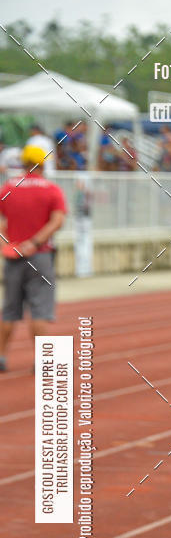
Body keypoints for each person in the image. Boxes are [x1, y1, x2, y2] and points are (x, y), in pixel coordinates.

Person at [0, 145, 67, 371]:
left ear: (23, 163)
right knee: (39, 310)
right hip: (39, 256)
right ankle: (41, 361)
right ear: (43, 164)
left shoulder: (8, 187)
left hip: (13, 257)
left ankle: (1, 358)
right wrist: (35, 242)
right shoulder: (51, 189)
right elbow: (57, 221)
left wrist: (5, 242)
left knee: (9, 310)